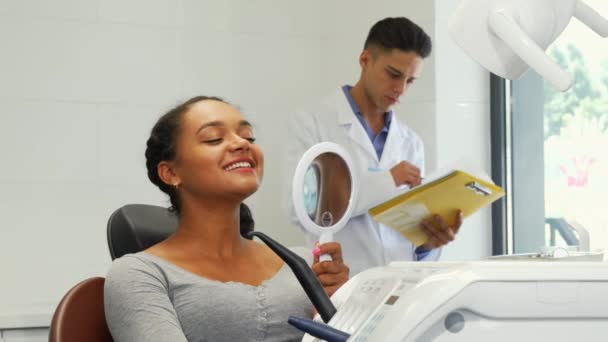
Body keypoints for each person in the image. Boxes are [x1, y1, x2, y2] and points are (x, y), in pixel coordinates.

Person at [104, 96, 350, 342]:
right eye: (214, 138)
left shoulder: (306, 263)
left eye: (248, 136)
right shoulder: (139, 274)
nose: (241, 143)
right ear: (170, 173)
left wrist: (345, 307)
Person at [286, 17, 463, 276]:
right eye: (393, 75)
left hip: (399, 288)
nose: (400, 89)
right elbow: (300, 211)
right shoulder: (312, 123)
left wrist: (429, 243)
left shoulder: (410, 142)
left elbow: (405, 239)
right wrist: (387, 180)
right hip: (341, 287)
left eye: (410, 80)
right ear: (365, 60)